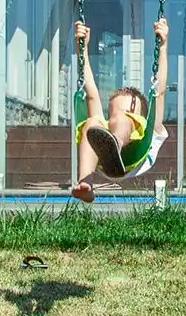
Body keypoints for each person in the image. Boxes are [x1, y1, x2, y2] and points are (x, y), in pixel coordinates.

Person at [71, 19, 169, 202]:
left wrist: (162, 46)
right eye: (112, 114)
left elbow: (159, 92)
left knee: (121, 121)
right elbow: (91, 93)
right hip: (101, 161)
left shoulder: (151, 130)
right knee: (93, 123)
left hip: (136, 156)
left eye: (129, 113)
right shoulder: (107, 125)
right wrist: (81, 50)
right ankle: (86, 184)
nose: (115, 117)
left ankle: (115, 143)